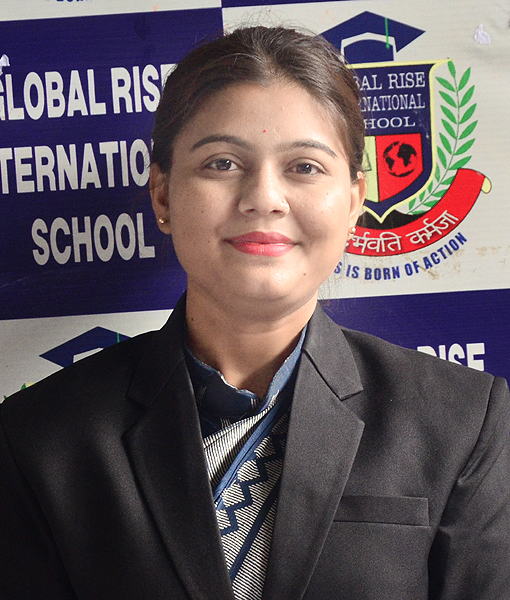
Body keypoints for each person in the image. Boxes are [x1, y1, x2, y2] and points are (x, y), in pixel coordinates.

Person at [1, 26, 509, 600]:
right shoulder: (41, 437)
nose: (264, 198)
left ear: (354, 201)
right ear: (163, 195)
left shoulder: (463, 422)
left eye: (305, 167)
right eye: (222, 163)